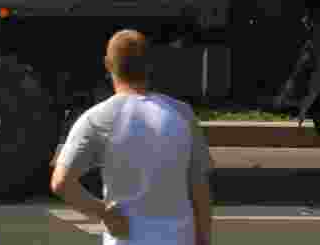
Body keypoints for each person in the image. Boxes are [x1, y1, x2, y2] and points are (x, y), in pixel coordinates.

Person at [51, 29, 215, 245]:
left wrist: (105, 213)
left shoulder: (97, 118)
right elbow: (199, 189)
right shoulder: (182, 114)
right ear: (149, 66)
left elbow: (61, 183)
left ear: (108, 65)